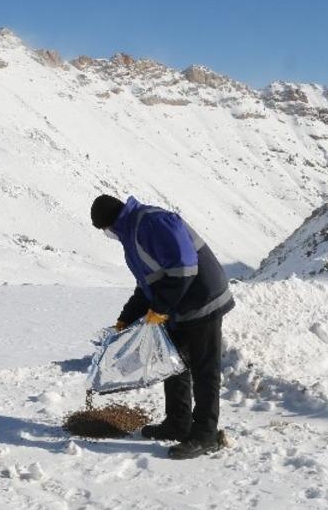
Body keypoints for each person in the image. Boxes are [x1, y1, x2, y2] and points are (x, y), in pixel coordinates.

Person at [90, 194, 234, 459]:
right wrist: (127, 317)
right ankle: (179, 423)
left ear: (110, 223)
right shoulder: (132, 232)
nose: (108, 235)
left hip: (203, 298)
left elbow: (184, 269)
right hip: (180, 303)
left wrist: (161, 308)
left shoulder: (152, 223)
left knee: (204, 368)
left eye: (105, 231)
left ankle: (205, 435)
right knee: (172, 360)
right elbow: (148, 284)